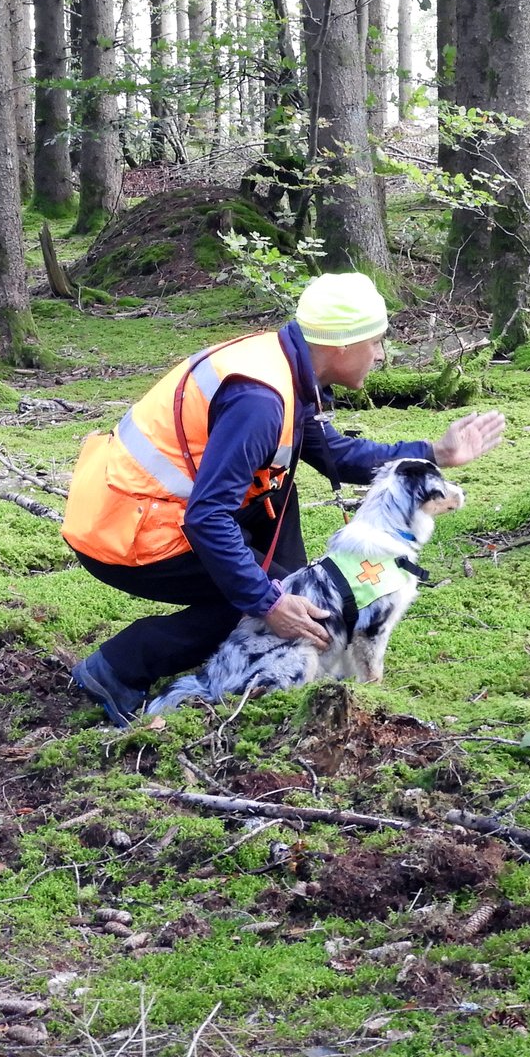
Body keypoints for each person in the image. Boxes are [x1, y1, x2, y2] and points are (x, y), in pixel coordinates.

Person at [60, 271, 506, 724]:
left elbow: (335, 454)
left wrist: (435, 453)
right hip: (128, 532)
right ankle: (118, 668)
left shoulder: (285, 365)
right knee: (258, 596)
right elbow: (207, 517)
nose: (380, 354)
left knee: (288, 548)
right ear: (342, 345)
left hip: (145, 508)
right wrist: (268, 603)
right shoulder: (259, 401)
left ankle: (274, 642)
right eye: (375, 342)